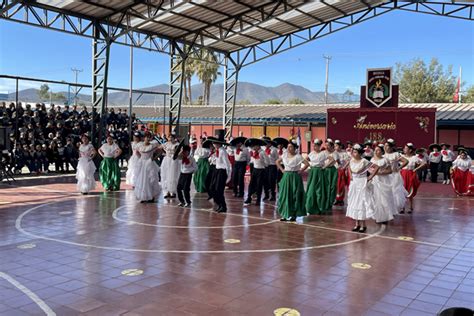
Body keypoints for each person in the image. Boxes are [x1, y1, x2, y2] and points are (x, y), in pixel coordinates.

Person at [346, 144, 378, 233]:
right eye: (353, 152)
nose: (353, 153)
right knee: (354, 202)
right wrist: (350, 176)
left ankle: (363, 225)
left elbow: (376, 167)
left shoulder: (364, 161)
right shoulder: (351, 160)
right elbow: (349, 168)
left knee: (361, 202)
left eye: (355, 152)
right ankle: (357, 224)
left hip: (362, 183)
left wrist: (370, 177)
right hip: (354, 183)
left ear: (360, 153)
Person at [276, 140, 309, 221]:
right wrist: (282, 170)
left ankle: (293, 215)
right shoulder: (284, 155)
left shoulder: (298, 156)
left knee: (294, 195)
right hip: (286, 176)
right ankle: (285, 214)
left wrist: (301, 170)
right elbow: (277, 161)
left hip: (295, 177)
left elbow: (307, 164)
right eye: (288, 147)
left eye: (290, 147)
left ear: (294, 148)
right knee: (285, 195)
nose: (288, 148)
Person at [370, 144, 397, 223]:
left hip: (383, 180)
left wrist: (380, 172)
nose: (376, 151)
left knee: (384, 198)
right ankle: (378, 215)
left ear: (382, 152)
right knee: (375, 198)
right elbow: (370, 170)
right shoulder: (372, 160)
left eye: (378, 150)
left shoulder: (385, 160)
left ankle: (385, 216)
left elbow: (390, 170)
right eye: (375, 150)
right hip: (375, 180)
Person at [134, 132, 161, 203]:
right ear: (144, 138)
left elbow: (160, 151)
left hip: (150, 163)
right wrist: (141, 158)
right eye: (147, 137)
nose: (148, 139)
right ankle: (143, 196)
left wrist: (153, 158)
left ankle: (151, 196)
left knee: (150, 180)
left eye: (149, 137)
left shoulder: (153, 145)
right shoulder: (139, 145)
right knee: (142, 179)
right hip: (142, 163)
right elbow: (136, 152)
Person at [400, 143, 427, 213]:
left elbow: (424, 163)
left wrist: (416, 169)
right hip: (402, 173)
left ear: (410, 150)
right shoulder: (401, 156)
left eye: (405, 148)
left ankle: (410, 207)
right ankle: (402, 207)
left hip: (410, 174)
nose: (404, 149)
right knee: (401, 190)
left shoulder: (414, 157)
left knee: (410, 189)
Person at [384, 139, 408, 212]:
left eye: (387, 146)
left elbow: (406, 161)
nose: (385, 147)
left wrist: (399, 168)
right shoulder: (383, 155)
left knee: (394, 192)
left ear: (391, 147)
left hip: (394, 175)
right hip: (385, 176)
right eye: (384, 146)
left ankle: (393, 208)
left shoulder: (396, 154)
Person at [209, 136, 232, 213]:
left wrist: (228, 175)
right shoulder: (217, 150)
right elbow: (215, 161)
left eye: (214, 142)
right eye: (213, 142)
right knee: (212, 188)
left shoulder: (222, 151)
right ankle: (219, 204)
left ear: (219, 143)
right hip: (217, 170)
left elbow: (227, 164)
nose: (213, 144)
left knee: (219, 190)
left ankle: (223, 206)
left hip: (222, 171)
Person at [305, 139, 327, 215]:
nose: (314, 147)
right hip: (312, 172)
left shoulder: (323, 153)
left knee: (319, 190)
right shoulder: (311, 153)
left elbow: (332, 160)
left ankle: (319, 207)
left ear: (319, 146)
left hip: (319, 172)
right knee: (311, 189)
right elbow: (305, 159)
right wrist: (309, 165)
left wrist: (324, 167)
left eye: (316, 146)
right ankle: (310, 208)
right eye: (314, 145)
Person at [244, 138, 268, 206]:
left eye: (254, 146)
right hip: (254, 170)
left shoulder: (262, 153)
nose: (253, 148)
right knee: (251, 185)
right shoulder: (254, 152)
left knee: (259, 186)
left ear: (258, 146)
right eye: (252, 147)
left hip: (261, 170)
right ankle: (249, 198)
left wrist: (262, 163)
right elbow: (252, 160)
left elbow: (267, 162)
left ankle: (258, 200)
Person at [161, 133, 180, 198]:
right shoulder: (166, 144)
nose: (170, 138)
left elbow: (178, 152)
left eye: (172, 137)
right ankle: (167, 192)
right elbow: (160, 147)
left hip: (173, 161)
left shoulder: (177, 144)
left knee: (173, 176)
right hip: (166, 160)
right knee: (166, 175)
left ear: (174, 138)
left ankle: (173, 192)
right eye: (169, 137)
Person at [322, 138, 339, 210]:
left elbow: (332, 162)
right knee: (324, 186)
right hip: (325, 171)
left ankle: (330, 202)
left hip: (332, 171)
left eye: (328, 145)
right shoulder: (324, 152)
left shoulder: (335, 153)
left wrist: (324, 166)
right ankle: (323, 202)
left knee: (331, 187)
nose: (326, 147)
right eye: (326, 145)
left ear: (332, 146)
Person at [334, 139, 350, 206]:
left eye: (337, 146)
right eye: (334, 146)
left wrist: (344, 167)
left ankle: (340, 200)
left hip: (341, 171)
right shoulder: (334, 153)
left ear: (340, 146)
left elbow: (348, 161)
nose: (335, 147)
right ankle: (336, 199)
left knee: (341, 185)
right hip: (335, 170)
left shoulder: (344, 153)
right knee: (335, 186)